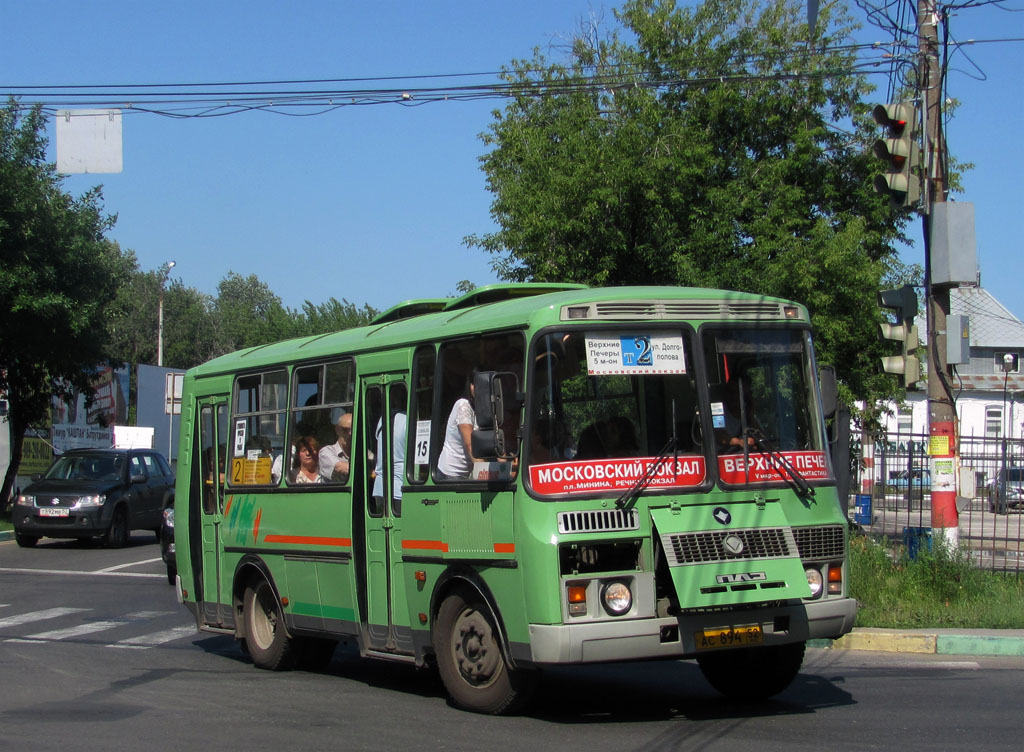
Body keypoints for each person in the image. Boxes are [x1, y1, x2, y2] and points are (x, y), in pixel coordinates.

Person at [437, 369, 479, 480]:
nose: (477, 388)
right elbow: (470, 445)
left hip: (466, 472)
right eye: (474, 384)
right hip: (451, 474)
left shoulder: (484, 410)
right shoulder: (463, 405)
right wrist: (485, 472)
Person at [319, 413, 352, 482]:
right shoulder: (326, 452)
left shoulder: (364, 453)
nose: (350, 433)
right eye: (345, 430)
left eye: (353, 430)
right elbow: (339, 467)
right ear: (337, 430)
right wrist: (368, 472)